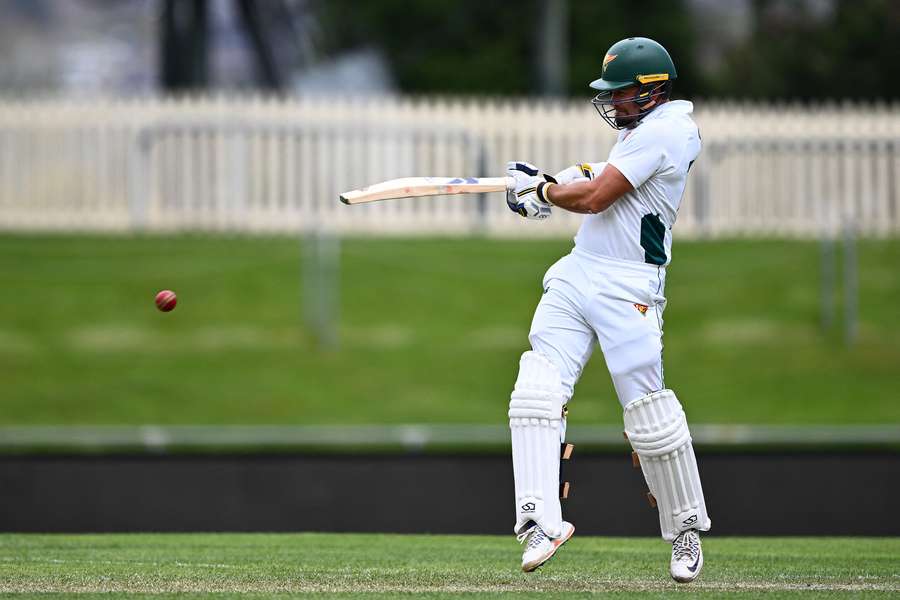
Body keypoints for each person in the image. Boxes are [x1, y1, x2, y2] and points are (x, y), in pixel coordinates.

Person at [505, 36, 710, 583]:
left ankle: (685, 529)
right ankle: (538, 521)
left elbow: (598, 196)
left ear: (651, 91)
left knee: (648, 414)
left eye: (620, 93)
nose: (612, 103)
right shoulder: (643, 134)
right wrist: (546, 180)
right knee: (536, 387)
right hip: (581, 269)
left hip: (629, 286)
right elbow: (597, 171)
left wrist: (545, 195)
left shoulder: (668, 131)